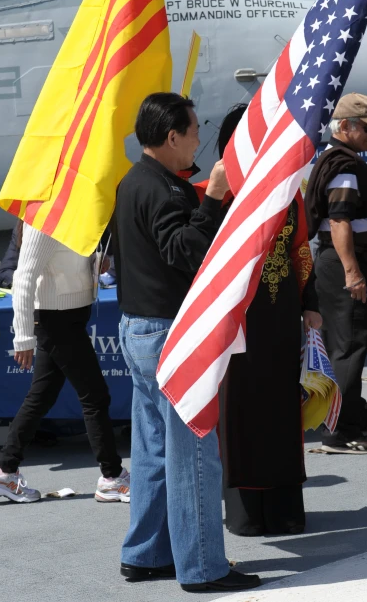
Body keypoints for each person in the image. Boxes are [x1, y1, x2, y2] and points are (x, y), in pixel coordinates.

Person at [113, 93, 260, 592]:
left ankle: (146, 554)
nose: (201, 137)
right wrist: (214, 198)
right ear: (172, 137)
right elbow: (182, 250)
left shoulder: (134, 182)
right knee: (194, 450)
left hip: (139, 327)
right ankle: (201, 566)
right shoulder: (164, 190)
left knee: (154, 449)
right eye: (195, 129)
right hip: (167, 333)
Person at [203, 105, 321, 537]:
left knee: (282, 410)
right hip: (235, 324)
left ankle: (286, 505)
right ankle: (246, 509)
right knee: (240, 412)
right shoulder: (213, 194)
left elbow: (302, 250)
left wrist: (311, 302)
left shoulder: (289, 192)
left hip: (282, 318)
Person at [0, 223, 130, 503]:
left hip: (68, 316)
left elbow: (64, 265)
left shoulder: (70, 213)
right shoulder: (46, 218)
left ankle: (5, 469)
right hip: (56, 320)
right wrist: (23, 337)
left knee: (42, 396)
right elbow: (24, 278)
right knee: (95, 396)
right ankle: (111, 476)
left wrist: (95, 263)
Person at [305, 92, 367, 455]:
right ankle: (338, 431)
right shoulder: (344, 166)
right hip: (346, 267)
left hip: (338, 264)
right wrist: (353, 273)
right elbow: (339, 220)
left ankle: (353, 415)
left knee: (347, 343)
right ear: (344, 127)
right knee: (347, 347)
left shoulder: (337, 159)